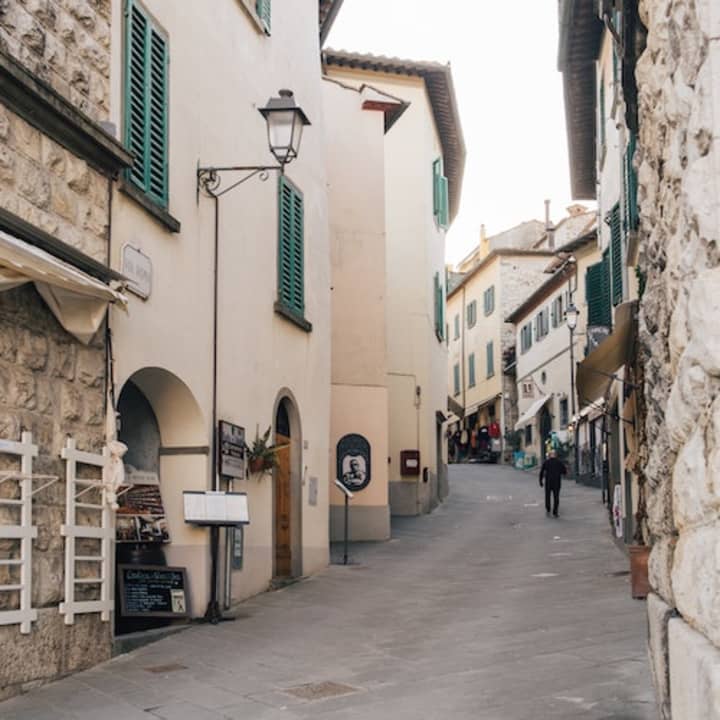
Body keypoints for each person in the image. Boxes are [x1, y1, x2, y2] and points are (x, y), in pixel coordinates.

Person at [539, 450, 567, 517]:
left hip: (548, 482)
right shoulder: (559, 462)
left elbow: (541, 472)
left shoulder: (546, 462)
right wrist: (560, 472)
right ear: (555, 455)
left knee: (547, 496)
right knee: (556, 496)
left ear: (549, 455)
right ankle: (555, 512)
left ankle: (548, 508)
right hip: (556, 482)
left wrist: (540, 481)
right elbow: (564, 471)